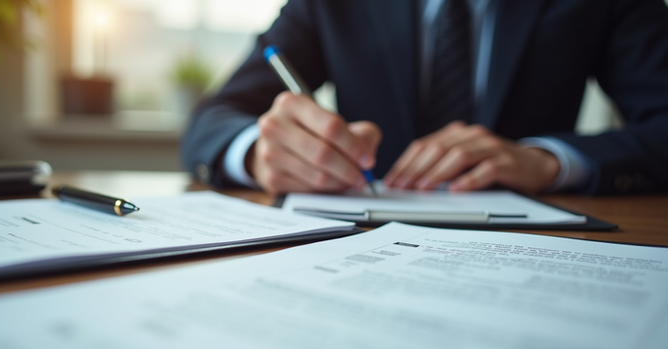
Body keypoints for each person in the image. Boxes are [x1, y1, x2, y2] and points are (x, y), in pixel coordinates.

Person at [182, 0, 668, 196]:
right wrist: (258, 151)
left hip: (535, 242)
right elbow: (214, 118)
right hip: (355, 243)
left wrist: (550, 160)